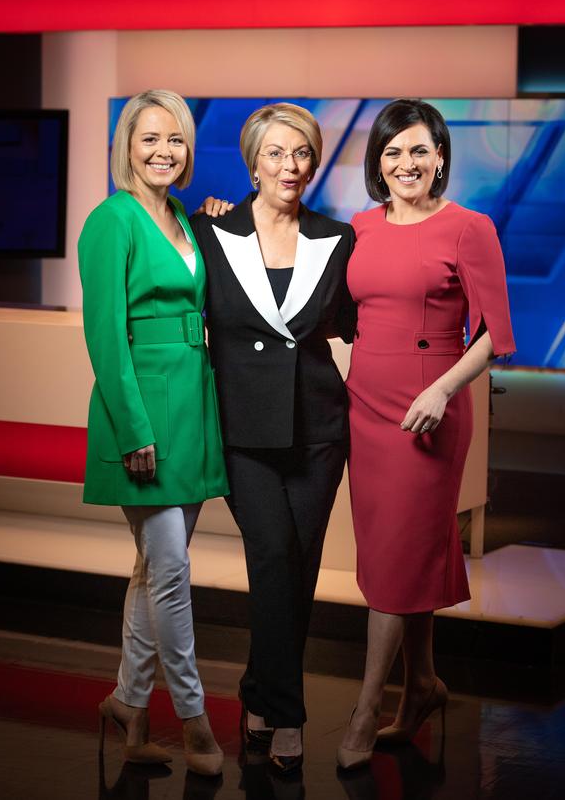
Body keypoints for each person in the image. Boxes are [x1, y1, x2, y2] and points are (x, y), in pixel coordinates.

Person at [337, 98, 515, 768]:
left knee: (394, 561)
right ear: (376, 163)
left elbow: (496, 332)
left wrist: (443, 388)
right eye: (392, 152)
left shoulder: (469, 227)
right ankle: (422, 685)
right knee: (397, 552)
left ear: (440, 155)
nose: (405, 163)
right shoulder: (359, 226)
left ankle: (364, 710)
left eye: (418, 150)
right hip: (366, 408)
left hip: (429, 409)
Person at [191, 103, 357, 773]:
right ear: (253, 161)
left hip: (318, 429)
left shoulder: (337, 238)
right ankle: (285, 712)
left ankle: (259, 693)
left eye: (302, 154)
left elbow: (356, 325)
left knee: (300, 565)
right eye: (276, 154)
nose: (290, 167)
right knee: (273, 553)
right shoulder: (209, 231)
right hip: (241, 430)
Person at [78, 89, 228, 776]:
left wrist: (219, 219)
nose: (164, 151)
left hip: (193, 407)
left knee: (150, 569)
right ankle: (195, 722)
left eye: (176, 140)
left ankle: (129, 706)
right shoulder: (112, 220)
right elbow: (106, 336)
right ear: (126, 148)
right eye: (150, 139)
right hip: (143, 412)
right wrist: (134, 426)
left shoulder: (184, 222)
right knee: (170, 573)